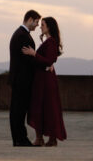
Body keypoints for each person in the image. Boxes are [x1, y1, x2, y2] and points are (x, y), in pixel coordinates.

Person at [22, 16, 67, 146]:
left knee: (46, 107)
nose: (40, 27)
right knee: (41, 107)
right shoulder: (49, 42)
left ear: (49, 27)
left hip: (46, 81)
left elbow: (50, 60)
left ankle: (47, 139)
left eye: (43, 25)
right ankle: (42, 138)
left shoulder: (51, 42)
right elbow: (47, 61)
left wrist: (34, 54)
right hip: (42, 79)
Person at [8, 9, 41, 146]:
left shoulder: (20, 34)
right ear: (30, 19)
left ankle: (19, 139)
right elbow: (28, 60)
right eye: (36, 22)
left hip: (19, 79)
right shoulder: (22, 36)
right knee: (19, 111)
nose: (37, 25)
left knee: (17, 110)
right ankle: (20, 139)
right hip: (22, 80)